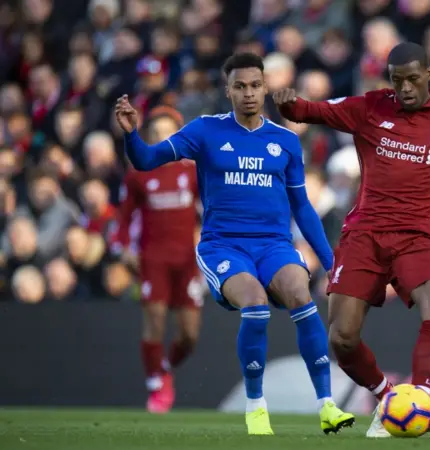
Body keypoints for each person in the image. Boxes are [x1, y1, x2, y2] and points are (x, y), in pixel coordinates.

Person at [274, 42, 430, 438]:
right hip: (364, 235)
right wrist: (288, 104)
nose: (404, 88)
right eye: (396, 80)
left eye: (411, 79)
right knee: (341, 337)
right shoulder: (370, 107)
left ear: (428, 74)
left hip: (419, 237)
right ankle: (390, 399)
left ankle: (421, 399)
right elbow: (311, 110)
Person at [114, 53, 354, 435]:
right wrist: (131, 134)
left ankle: (326, 405)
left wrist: (331, 262)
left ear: (265, 88)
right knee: (255, 304)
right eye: (240, 86)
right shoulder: (205, 131)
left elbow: (303, 209)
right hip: (223, 246)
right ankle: (256, 406)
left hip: (274, 245)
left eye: (255, 86)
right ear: (228, 91)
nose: (248, 93)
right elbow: (145, 160)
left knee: (300, 294)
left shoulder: (286, 141)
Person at [111, 105, 202, 414]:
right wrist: (123, 247)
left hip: (187, 261)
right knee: (155, 323)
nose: (162, 138)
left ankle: (164, 367)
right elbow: (123, 218)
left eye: (168, 132)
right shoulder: (139, 173)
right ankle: (155, 385)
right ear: (149, 137)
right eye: (156, 133)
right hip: (153, 259)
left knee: (189, 336)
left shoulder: (192, 171)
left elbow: (213, 207)